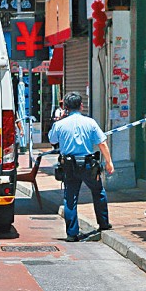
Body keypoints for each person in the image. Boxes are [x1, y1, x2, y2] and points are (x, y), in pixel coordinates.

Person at [47, 92, 115, 242]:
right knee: (98, 192)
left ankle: (72, 233)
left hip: (69, 165)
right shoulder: (90, 122)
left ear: (65, 108)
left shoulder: (59, 124)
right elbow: (102, 143)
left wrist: (58, 121)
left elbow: (52, 140)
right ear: (81, 106)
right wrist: (109, 162)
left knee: (70, 197)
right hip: (88, 164)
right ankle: (103, 223)